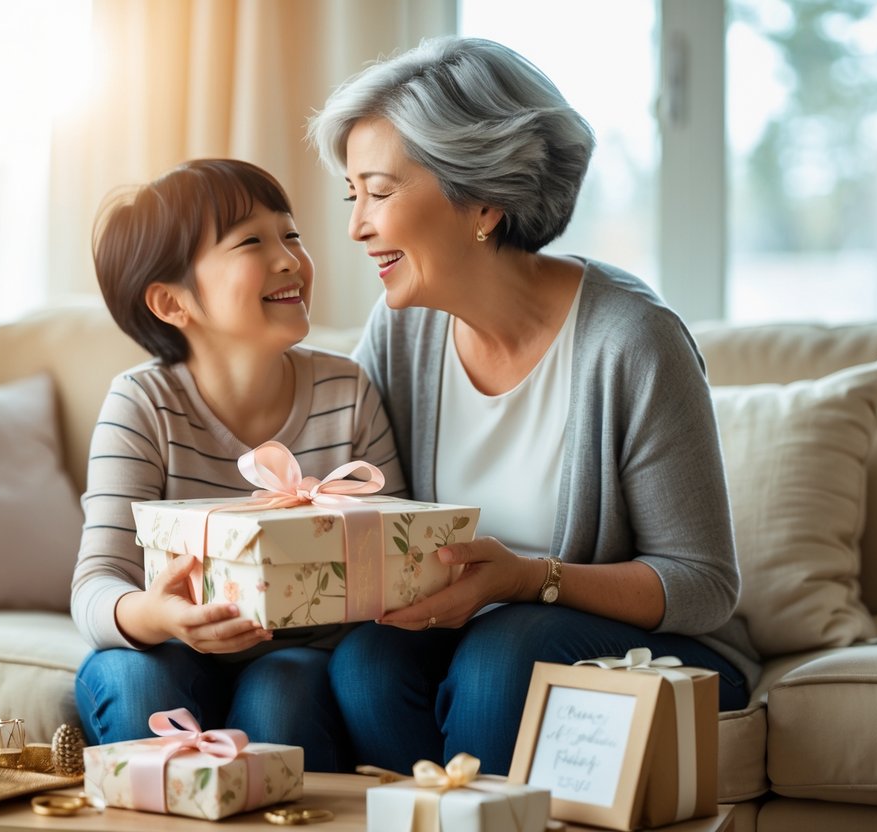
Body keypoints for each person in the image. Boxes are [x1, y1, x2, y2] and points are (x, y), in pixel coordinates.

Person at [306, 35, 757, 775]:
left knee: (502, 650)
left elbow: (703, 586)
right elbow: (340, 484)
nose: (356, 226)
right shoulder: (400, 327)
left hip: (656, 647)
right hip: (469, 635)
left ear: (481, 200)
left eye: (379, 193)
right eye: (351, 195)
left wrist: (527, 577)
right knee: (367, 662)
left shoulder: (631, 341)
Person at [72, 159, 406, 772]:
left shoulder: (346, 390)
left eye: (292, 235)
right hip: (167, 648)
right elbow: (95, 586)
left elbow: (395, 558)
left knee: (283, 692)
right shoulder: (142, 403)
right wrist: (160, 616)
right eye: (253, 241)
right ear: (172, 302)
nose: (288, 259)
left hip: (298, 655)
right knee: (130, 676)